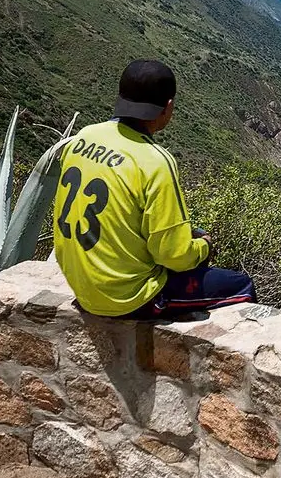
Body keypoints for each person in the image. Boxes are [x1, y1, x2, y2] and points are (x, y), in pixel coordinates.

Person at [53, 59, 257, 320]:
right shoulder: (156, 162)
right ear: (168, 107)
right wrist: (203, 246)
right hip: (129, 298)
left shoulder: (82, 138)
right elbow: (174, 256)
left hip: (82, 285)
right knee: (241, 285)